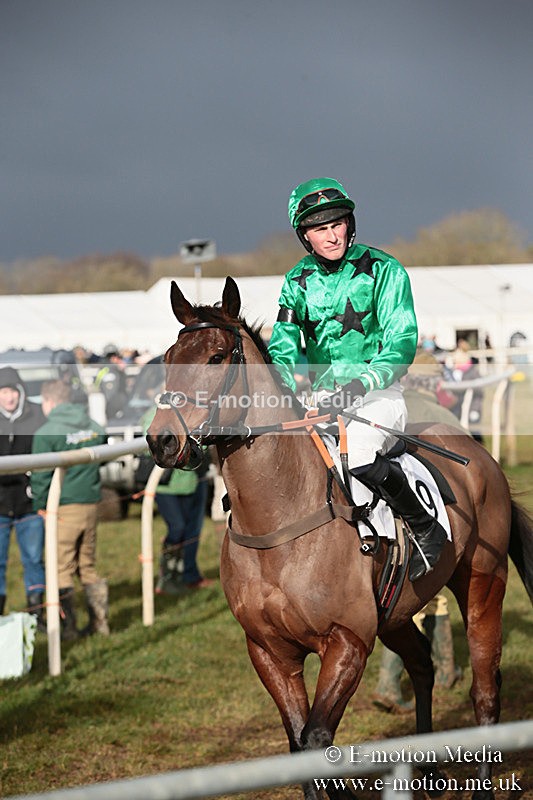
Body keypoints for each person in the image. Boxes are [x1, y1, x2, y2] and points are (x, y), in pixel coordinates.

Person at [268, 177, 447, 581]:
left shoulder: (385, 269)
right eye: (320, 229)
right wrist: (283, 388)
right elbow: (283, 345)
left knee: (360, 454)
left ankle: (424, 528)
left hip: (378, 395)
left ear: (349, 223)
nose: (331, 236)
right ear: (305, 236)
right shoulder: (295, 281)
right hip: (322, 400)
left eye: (337, 224)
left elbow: (401, 342)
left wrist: (359, 386)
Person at [372, 352, 466, 713]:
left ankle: (444, 670)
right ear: (434, 381)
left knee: (404, 600)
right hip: (425, 518)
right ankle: (402, 680)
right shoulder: (441, 416)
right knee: (423, 600)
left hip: (381, 521)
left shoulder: (386, 405)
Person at [31, 380, 108, 640]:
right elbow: (103, 437)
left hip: (63, 507)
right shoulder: (91, 425)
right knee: (87, 565)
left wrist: (40, 505)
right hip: (91, 504)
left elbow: (40, 475)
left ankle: (69, 628)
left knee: (61, 567)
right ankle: (100, 622)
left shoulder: (46, 432)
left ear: (49, 402)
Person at [141, 407, 212, 593]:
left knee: (192, 532)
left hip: (194, 480)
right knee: (177, 528)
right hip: (167, 486)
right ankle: (167, 576)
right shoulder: (154, 414)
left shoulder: (194, 409)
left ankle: (189, 575)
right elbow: (151, 441)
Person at [0, 366, 46, 630]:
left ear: (20, 392)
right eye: (3, 392)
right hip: (0, 504)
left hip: (29, 503)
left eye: (13, 391)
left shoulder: (37, 416)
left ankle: (37, 614)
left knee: (33, 559)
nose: (9, 397)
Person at [94, 344, 129, 419]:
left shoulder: (119, 369)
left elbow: (124, 385)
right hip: (110, 404)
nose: (114, 358)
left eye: (115, 356)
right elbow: (97, 384)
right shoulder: (103, 370)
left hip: (121, 402)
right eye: (110, 356)